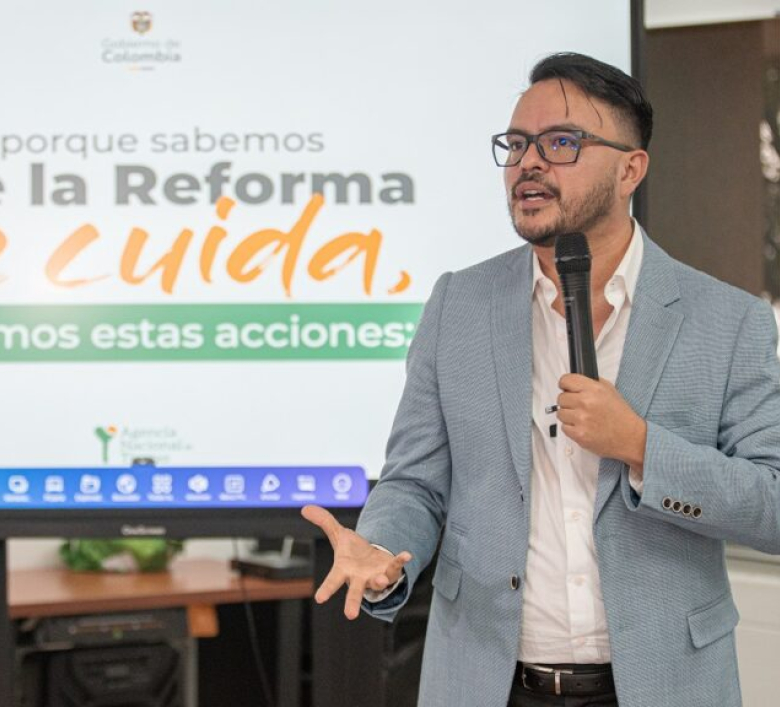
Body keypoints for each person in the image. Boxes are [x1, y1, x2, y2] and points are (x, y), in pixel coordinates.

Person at [302, 52, 780, 707]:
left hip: (662, 684)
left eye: (561, 142)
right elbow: (415, 481)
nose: (529, 162)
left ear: (630, 168)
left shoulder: (727, 320)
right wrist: (383, 545)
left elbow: (774, 505)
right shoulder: (459, 304)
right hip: (487, 682)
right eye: (517, 144)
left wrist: (642, 445)